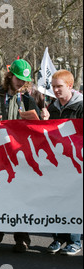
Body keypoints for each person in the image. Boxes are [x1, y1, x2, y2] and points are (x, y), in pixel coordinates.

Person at [0, 59, 40, 253]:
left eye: (24, 79)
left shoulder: (29, 99)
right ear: (10, 76)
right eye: (18, 78)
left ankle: (22, 238)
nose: (21, 82)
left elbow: (39, 126)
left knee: (21, 197)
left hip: (21, 156)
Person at [40, 69, 82, 255]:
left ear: (70, 86)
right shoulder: (52, 108)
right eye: (53, 86)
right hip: (57, 161)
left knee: (73, 200)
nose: (55, 90)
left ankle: (75, 240)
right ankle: (58, 238)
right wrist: (44, 122)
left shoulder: (80, 106)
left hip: (76, 161)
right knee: (55, 199)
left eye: (59, 86)